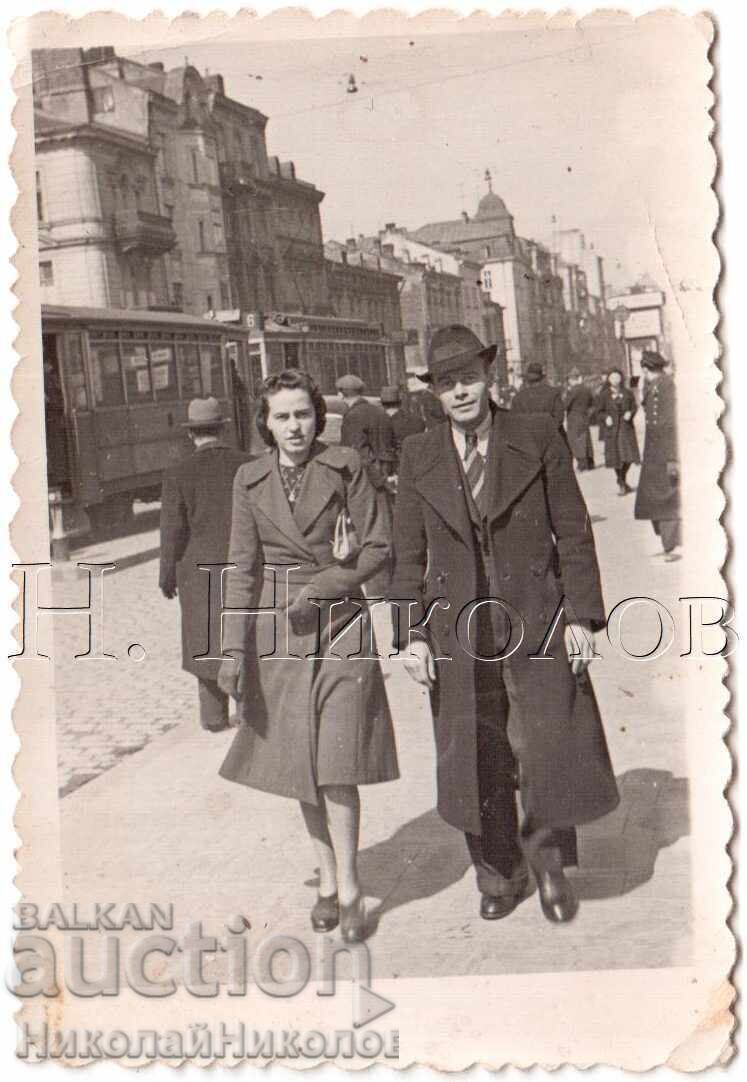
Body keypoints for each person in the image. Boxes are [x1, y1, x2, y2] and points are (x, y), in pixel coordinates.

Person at [389, 325, 619, 925]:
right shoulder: (420, 453)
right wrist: (411, 634)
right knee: (476, 751)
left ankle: (547, 867)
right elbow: (407, 555)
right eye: (447, 383)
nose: (460, 392)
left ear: (488, 377)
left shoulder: (535, 434)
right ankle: (497, 873)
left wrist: (583, 617)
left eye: (468, 378)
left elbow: (572, 530)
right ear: (433, 393)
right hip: (456, 632)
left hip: (536, 617)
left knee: (543, 743)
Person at [217, 370, 399, 942]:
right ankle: (325, 878)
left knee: (338, 762)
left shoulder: (345, 467)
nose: (294, 427)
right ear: (265, 424)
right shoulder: (248, 481)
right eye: (282, 417)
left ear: (318, 415)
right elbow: (242, 571)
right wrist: (231, 652)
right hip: (279, 636)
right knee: (303, 764)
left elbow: (378, 545)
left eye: (302, 414)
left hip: (341, 621)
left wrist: (323, 587)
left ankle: (349, 889)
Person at [159, 397, 252, 732]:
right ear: (223, 428)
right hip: (243, 565)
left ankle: (213, 717)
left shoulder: (178, 473)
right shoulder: (248, 465)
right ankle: (247, 712)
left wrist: (167, 575)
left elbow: (172, 531)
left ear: (191, 434)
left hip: (197, 572)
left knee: (204, 637)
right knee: (243, 631)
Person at [634, 350, 681, 560]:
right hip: (654, 452)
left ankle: (671, 546)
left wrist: (673, 457)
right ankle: (668, 543)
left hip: (665, 451)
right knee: (655, 497)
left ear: (645, 369)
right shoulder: (657, 384)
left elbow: (671, 423)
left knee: (667, 496)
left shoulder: (666, 385)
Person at [337, 373, 396, 489]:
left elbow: (359, 453)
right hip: (388, 471)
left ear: (341, 394)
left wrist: (379, 480)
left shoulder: (353, 416)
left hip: (369, 478)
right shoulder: (380, 411)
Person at [597, 368, 641, 495]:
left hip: (626, 429)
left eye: (617, 377)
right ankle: (622, 484)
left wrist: (630, 413)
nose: (615, 380)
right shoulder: (603, 395)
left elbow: (634, 406)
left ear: (621, 378)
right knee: (616, 458)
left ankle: (621, 479)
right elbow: (598, 412)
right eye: (612, 377)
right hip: (612, 431)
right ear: (609, 379)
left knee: (629, 457)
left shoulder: (627, 393)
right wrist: (606, 417)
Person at [380, 384, 425, 469]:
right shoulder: (417, 420)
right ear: (400, 402)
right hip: (420, 462)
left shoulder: (383, 424)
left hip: (398, 467)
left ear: (383, 404)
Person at [511, 361, 565, 427]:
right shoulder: (553, 393)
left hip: (527, 435)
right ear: (542, 377)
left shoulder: (518, 398)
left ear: (527, 379)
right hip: (550, 434)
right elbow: (559, 418)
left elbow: (515, 421)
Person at [563, 369, 595, 471]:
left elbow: (565, 405)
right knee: (586, 440)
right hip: (584, 417)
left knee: (575, 441)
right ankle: (590, 462)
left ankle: (582, 464)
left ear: (571, 380)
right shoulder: (587, 389)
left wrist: (566, 394)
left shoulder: (573, 390)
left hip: (574, 418)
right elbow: (593, 404)